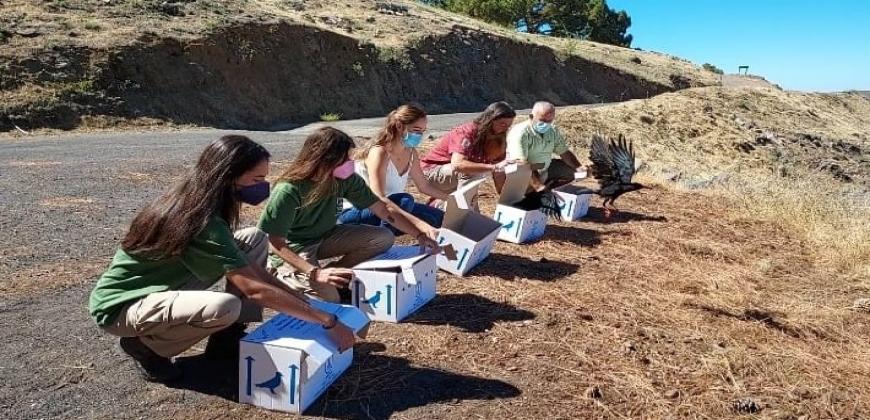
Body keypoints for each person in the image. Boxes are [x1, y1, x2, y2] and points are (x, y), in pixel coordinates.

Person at [88, 135, 357, 383]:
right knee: (225, 307)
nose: (263, 187)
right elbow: (254, 288)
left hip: (163, 287)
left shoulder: (203, 203)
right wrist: (327, 321)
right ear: (227, 177)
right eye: (255, 180)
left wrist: (308, 303)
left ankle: (227, 338)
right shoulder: (203, 221)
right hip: (123, 306)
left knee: (253, 238)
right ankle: (146, 348)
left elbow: (255, 274)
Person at [259, 127, 440, 304]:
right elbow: (275, 242)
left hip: (325, 236)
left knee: (382, 237)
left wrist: (419, 234)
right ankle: (285, 277)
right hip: (296, 247)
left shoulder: (346, 179)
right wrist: (314, 272)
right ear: (323, 160)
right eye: (344, 158)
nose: (349, 162)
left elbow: (383, 209)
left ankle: (334, 275)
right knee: (330, 301)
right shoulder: (289, 190)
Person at [339, 104, 448, 230]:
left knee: (439, 218)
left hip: (392, 207)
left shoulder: (411, 153)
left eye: (422, 132)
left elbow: (424, 186)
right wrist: (418, 224)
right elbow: (378, 196)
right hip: (360, 210)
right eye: (416, 130)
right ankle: (384, 237)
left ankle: (390, 230)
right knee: (405, 201)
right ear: (400, 126)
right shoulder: (380, 152)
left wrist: (451, 199)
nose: (419, 136)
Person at [420, 101, 517, 208]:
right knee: (471, 171)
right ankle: (464, 211)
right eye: (502, 124)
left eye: (508, 126)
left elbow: (499, 173)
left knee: (474, 173)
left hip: (455, 179)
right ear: (491, 120)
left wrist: (508, 203)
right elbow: (458, 164)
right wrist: (493, 167)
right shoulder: (467, 132)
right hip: (431, 173)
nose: (505, 128)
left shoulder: (499, 140)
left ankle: (438, 206)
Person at [506, 101, 584, 192]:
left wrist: (579, 167)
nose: (546, 124)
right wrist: (538, 186)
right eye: (542, 120)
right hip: (522, 173)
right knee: (530, 193)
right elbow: (520, 163)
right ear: (531, 117)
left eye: (549, 121)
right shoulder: (520, 132)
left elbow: (564, 152)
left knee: (574, 172)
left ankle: (550, 189)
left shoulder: (552, 131)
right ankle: (533, 192)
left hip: (544, 168)